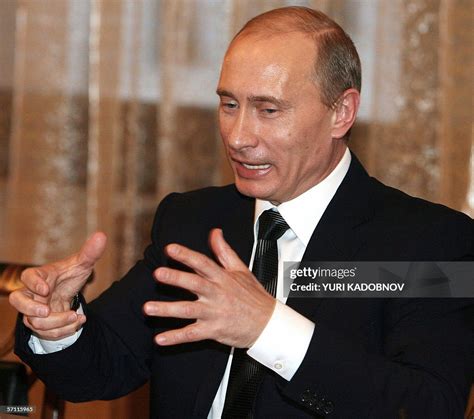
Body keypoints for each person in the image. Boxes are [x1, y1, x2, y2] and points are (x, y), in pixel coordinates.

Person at [9, 6, 473, 419]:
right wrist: (58, 323)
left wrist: (267, 328)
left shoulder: (434, 241)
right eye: (229, 104)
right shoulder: (191, 221)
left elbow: (429, 404)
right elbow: (101, 370)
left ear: (341, 112)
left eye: (268, 110)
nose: (238, 136)